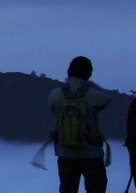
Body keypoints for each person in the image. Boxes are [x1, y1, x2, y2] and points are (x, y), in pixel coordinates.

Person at [48, 55, 113, 192]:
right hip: (91, 152)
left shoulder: (56, 93)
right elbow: (107, 99)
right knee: (96, 188)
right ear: (88, 73)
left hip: (65, 153)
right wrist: (90, 84)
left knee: (67, 189)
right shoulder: (93, 94)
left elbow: (52, 107)